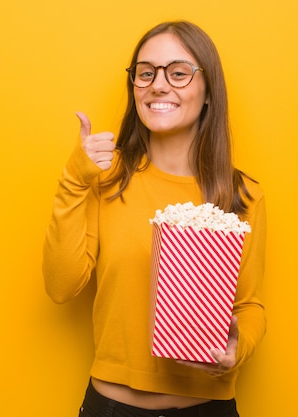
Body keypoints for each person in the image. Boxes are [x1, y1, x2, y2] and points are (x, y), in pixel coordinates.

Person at [42, 20, 266, 417]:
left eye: (178, 72)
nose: (158, 85)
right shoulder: (105, 181)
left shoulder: (242, 194)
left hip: (207, 406)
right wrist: (74, 181)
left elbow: (248, 306)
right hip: (111, 406)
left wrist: (238, 347)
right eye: (145, 73)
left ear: (209, 89)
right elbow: (61, 287)